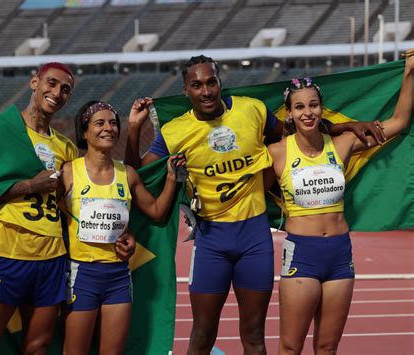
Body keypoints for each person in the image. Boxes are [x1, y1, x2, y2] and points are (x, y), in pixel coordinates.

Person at [124, 55, 386, 354]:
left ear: (220, 82)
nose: (206, 91)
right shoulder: (174, 132)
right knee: (202, 333)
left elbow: (297, 132)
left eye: (211, 82)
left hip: (254, 239)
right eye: (197, 85)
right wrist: (134, 129)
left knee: (253, 335)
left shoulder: (253, 109)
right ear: (186, 90)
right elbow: (135, 176)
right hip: (210, 240)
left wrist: (347, 126)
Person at [268, 51, 413, 355]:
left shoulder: (343, 144)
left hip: (338, 254)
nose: (307, 112)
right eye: (299, 107)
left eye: (313, 105)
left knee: (328, 347)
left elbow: (398, 122)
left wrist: (410, 71)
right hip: (302, 255)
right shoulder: (276, 153)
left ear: (322, 109)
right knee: (290, 347)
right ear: (289, 114)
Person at [0, 62, 83, 355]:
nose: (56, 92)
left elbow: (78, 202)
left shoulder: (66, 148)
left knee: (39, 346)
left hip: (51, 259)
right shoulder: (2, 132)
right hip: (5, 254)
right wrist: (31, 186)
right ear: (34, 83)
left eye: (65, 90)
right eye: (51, 83)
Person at [61, 99, 185, 355]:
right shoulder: (68, 173)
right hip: (80, 274)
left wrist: (172, 179)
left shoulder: (127, 174)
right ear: (84, 132)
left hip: (118, 276)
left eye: (113, 123)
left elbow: (157, 212)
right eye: (99, 123)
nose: (108, 128)